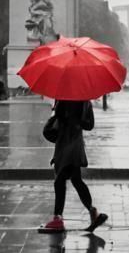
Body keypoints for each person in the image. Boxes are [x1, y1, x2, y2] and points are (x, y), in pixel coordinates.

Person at [40, 99, 108, 234]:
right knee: (76, 180)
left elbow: (56, 122)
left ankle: (58, 218)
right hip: (76, 143)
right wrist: (78, 121)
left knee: (60, 181)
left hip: (66, 144)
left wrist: (58, 109)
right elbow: (89, 125)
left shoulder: (64, 99)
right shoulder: (86, 101)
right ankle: (92, 212)